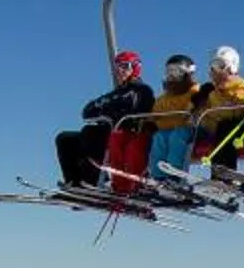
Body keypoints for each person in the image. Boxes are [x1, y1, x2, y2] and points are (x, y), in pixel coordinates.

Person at [53, 51, 155, 192]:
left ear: (136, 68)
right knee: (65, 139)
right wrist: (108, 109)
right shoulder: (117, 93)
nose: (120, 71)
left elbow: (133, 110)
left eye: (125, 67)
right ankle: (74, 183)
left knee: (90, 133)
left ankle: (94, 180)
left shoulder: (141, 90)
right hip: (108, 131)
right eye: (118, 67)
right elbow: (88, 111)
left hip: (126, 133)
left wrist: (107, 110)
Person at [132, 53, 204, 190]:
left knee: (177, 136)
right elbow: (155, 115)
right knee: (159, 137)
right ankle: (158, 177)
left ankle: (174, 175)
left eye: (176, 71)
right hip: (167, 131)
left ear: (187, 73)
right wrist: (149, 121)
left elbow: (193, 111)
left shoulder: (195, 93)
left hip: (189, 130)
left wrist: (193, 109)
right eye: (169, 71)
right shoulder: (164, 99)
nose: (171, 75)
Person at [187, 46, 244, 173]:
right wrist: (196, 105)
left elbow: (239, 108)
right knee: (183, 133)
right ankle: (169, 171)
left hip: (233, 125)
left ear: (231, 67)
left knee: (224, 127)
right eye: (213, 66)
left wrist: (225, 96)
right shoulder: (211, 91)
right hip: (211, 128)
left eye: (220, 65)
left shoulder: (240, 85)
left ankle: (224, 172)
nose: (215, 70)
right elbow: (200, 115)